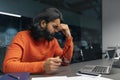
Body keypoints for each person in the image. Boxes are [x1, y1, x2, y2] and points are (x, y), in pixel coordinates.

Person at [2, 7, 73, 74]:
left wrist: (68, 37)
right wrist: (42, 66)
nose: (57, 31)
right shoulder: (21, 37)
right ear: (43, 23)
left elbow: (65, 62)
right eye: (54, 27)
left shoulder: (53, 41)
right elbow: (7, 67)